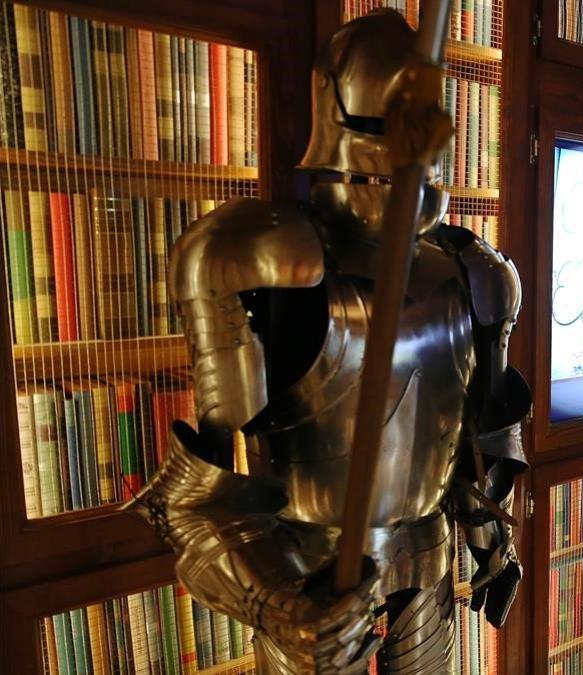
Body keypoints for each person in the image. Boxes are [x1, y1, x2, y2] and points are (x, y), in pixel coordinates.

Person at [125, 8, 529, 673]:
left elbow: (479, 444)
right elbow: (198, 498)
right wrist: (279, 606)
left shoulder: (475, 271)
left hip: (428, 570)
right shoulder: (262, 257)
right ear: (336, 116)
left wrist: (489, 545)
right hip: (305, 578)